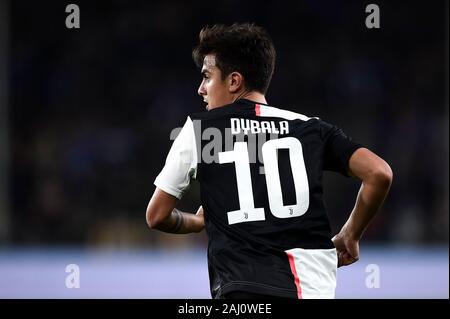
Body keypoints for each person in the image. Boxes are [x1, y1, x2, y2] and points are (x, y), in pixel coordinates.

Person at [146, 23, 393, 299]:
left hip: (242, 292)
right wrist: (351, 234)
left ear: (234, 81)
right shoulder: (312, 129)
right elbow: (379, 173)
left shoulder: (201, 129)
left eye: (207, 77)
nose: (200, 89)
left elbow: (156, 216)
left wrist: (198, 221)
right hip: (312, 290)